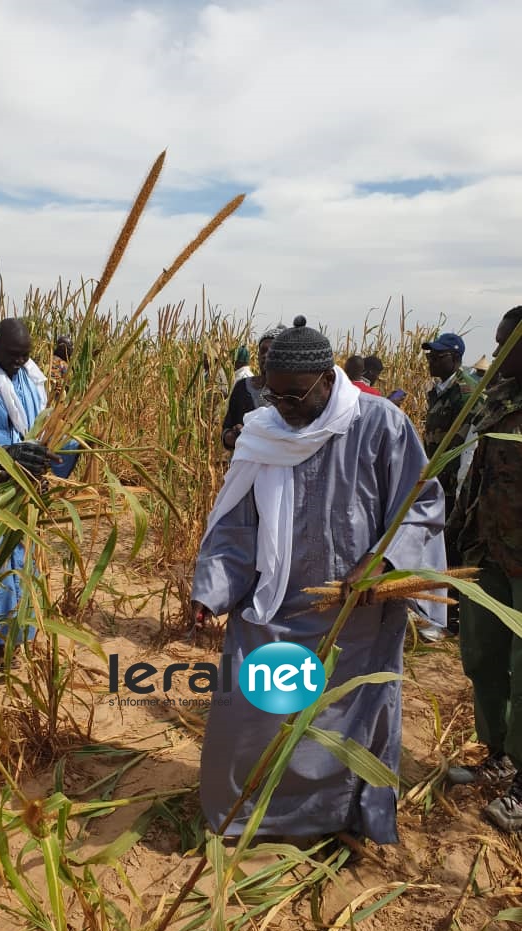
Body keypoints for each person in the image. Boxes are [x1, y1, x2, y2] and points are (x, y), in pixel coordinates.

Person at [192, 315, 445, 845]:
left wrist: (383, 560)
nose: (281, 405)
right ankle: (249, 818)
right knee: (251, 715)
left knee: (344, 724)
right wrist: (212, 590)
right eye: (273, 393)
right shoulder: (263, 433)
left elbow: (420, 504)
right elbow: (237, 522)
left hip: (357, 617)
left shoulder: (381, 424)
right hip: (273, 608)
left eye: (293, 395)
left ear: (328, 380)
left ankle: (339, 821)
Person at [0, 318, 75, 671]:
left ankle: (8, 643)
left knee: (18, 564)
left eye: (24, 356)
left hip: (23, 489)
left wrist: (67, 447)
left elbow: (41, 426)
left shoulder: (31, 380)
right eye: (12, 355)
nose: (18, 362)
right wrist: (3, 456)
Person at [446, 306, 522, 831]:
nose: (493, 356)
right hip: (487, 552)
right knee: (482, 655)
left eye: (503, 345)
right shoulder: (495, 400)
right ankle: (499, 753)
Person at [421, 332, 479, 636]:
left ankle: (452, 617)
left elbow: (470, 444)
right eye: (430, 355)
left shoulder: (466, 392)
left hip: (454, 486)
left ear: (455, 358)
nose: (430, 360)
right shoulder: (441, 391)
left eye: (438, 356)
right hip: (437, 484)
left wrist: (460, 489)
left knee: (453, 549)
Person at [222, 327, 284, 451]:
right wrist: (234, 435)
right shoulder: (242, 387)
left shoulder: (292, 393)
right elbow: (226, 433)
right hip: (244, 465)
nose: (266, 355)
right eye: (263, 351)